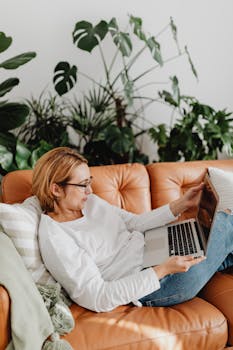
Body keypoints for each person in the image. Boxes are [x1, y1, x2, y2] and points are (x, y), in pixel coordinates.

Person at [33, 147, 233, 312]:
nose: (90, 191)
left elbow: (134, 223)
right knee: (226, 222)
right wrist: (162, 270)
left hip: (155, 253)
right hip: (153, 285)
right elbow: (97, 297)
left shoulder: (89, 203)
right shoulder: (56, 238)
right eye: (82, 185)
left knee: (225, 246)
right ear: (56, 189)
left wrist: (181, 204)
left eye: (89, 182)